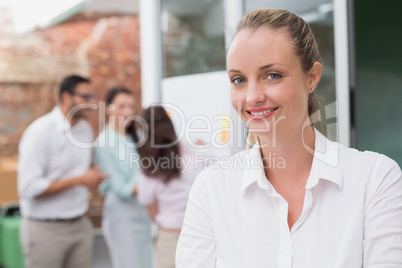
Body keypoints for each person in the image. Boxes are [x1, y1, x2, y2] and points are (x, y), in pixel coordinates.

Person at [176, 8, 402, 267]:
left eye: (272, 75)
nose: (252, 97)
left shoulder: (374, 179)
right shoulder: (212, 190)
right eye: (238, 79)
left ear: (312, 77)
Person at [17, 75, 107, 268]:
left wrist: (90, 181)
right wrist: (81, 180)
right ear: (67, 97)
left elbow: (80, 174)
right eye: (86, 97)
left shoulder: (85, 131)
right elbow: (29, 188)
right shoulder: (40, 132)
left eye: (94, 96)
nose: (93, 102)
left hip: (80, 224)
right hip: (45, 230)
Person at [137, 105, 206, 268]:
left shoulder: (148, 168)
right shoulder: (198, 154)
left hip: (169, 235)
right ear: (170, 126)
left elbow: (152, 211)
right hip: (197, 232)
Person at [94, 87, 152, 268]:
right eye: (121, 106)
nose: (128, 111)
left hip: (144, 212)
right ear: (108, 109)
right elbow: (122, 189)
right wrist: (154, 182)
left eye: (131, 106)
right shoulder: (103, 143)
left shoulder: (139, 136)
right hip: (123, 216)